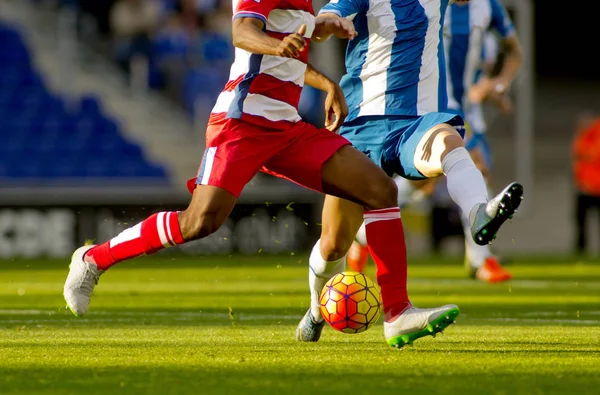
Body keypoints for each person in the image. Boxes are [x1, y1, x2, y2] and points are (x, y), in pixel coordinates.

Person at [63, 0, 459, 349]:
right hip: (242, 122)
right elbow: (243, 31)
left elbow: (289, 52)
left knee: (379, 188)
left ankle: (397, 312)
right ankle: (94, 259)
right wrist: (278, 44)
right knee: (200, 222)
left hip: (286, 128)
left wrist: (324, 77)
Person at [296, 0, 523, 345]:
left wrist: (497, 83)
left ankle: (479, 215)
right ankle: (315, 310)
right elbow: (331, 15)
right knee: (333, 245)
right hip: (359, 127)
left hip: (414, 123)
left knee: (450, 143)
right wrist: (326, 23)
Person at [346, 0, 523, 284]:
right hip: (435, 101)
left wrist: (498, 84)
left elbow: (514, 50)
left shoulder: (488, 7)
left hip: (468, 107)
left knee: (458, 174)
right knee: (449, 173)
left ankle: (480, 258)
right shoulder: (432, 4)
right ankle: (480, 258)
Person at [572, 113, 600, 255]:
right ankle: (581, 250)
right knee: (580, 222)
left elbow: (592, 154)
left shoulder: (595, 135)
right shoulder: (582, 137)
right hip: (584, 188)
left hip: (597, 188)